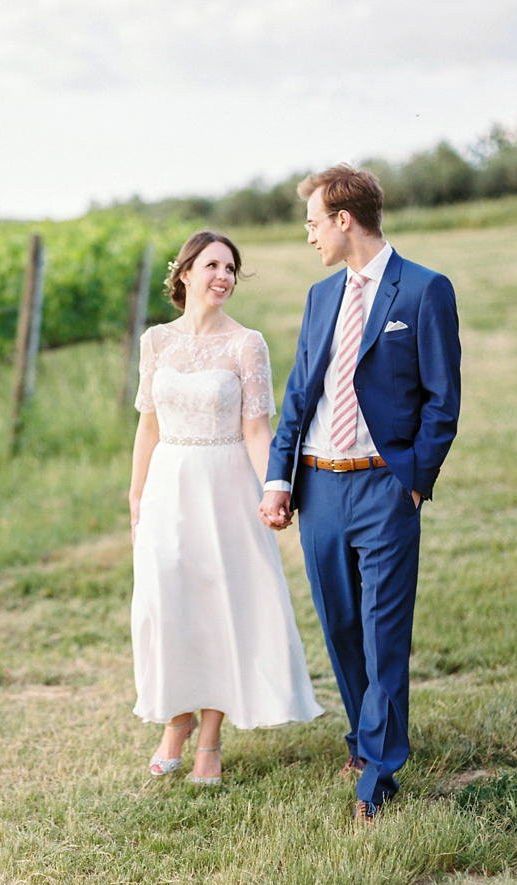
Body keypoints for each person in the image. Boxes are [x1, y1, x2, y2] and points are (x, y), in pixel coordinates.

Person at [258, 164, 461, 822]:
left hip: (384, 487)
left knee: (382, 633)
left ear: (344, 220)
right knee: (343, 628)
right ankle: (363, 734)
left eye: (314, 222)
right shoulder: (321, 297)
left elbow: (442, 401)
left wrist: (415, 482)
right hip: (318, 486)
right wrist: (280, 478)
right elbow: (298, 395)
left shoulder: (424, 290)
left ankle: (377, 772)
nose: (309, 235)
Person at [129, 230, 323, 786]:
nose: (224, 277)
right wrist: (136, 495)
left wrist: (274, 487)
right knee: (167, 601)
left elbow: (258, 428)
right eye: (212, 265)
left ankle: (208, 738)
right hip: (168, 484)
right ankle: (177, 716)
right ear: (185, 273)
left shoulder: (247, 344)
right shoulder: (156, 341)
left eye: (232, 268)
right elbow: (148, 424)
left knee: (219, 603)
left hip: (226, 483)